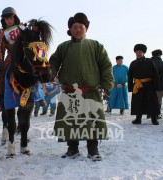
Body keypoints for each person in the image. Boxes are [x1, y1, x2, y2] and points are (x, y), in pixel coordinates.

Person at [49, 12, 114, 161]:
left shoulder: (96, 46)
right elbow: (53, 63)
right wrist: (49, 73)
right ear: (70, 29)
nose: (78, 30)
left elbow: (106, 65)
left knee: (92, 123)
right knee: (71, 122)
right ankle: (73, 149)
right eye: (74, 27)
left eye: (81, 27)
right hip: (70, 92)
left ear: (86, 29)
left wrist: (107, 83)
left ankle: (93, 150)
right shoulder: (63, 47)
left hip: (90, 92)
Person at [0, 7, 24, 108]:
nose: (9, 21)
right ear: (4, 20)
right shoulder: (2, 33)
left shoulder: (23, 27)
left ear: (14, 18)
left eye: (10, 18)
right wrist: (0, 61)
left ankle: (39, 93)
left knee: (35, 67)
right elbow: (0, 48)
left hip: (24, 53)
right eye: (6, 19)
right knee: (1, 72)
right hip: (11, 55)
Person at [128, 44, 160, 125]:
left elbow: (155, 74)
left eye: (140, 52)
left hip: (149, 85)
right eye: (137, 52)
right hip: (138, 86)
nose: (138, 53)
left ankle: (154, 119)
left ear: (143, 52)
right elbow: (130, 76)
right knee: (138, 102)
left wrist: (156, 85)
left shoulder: (149, 61)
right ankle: (138, 119)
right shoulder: (133, 63)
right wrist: (130, 87)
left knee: (152, 102)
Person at [151, 49, 163, 119]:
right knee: (158, 101)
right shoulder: (161, 63)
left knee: (152, 100)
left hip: (150, 85)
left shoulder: (149, 62)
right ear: (160, 55)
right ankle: (157, 114)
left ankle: (150, 114)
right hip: (160, 85)